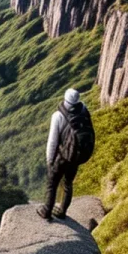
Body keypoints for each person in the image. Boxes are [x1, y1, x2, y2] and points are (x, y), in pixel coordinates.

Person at [37, 88, 95, 222]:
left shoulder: (58, 116)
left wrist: (50, 160)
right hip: (76, 156)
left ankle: (47, 210)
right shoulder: (84, 110)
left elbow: (52, 141)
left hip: (62, 156)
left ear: (65, 99)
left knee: (52, 182)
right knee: (68, 183)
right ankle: (62, 211)